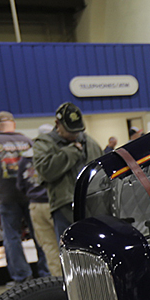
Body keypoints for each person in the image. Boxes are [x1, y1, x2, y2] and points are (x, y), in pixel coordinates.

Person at [0, 111, 48, 284]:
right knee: (39, 234)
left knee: (12, 236)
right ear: (13, 123)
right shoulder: (27, 141)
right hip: (30, 194)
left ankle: (21, 276)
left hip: (8, 195)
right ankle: (46, 273)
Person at [32, 102, 103, 240]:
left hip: (94, 204)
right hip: (64, 207)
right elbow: (46, 171)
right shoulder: (44, 143)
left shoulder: (90, 142)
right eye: (70, 131)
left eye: (77, 130)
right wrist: (72, 152)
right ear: (57, 124)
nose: (75, 135)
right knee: (71, 250)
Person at [16, 131, 61, 278]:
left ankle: (58, 281)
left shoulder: (26, 157)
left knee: (48, 246)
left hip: (35, 206)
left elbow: (21, 185)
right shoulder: (57, 154)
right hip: (56, 204)